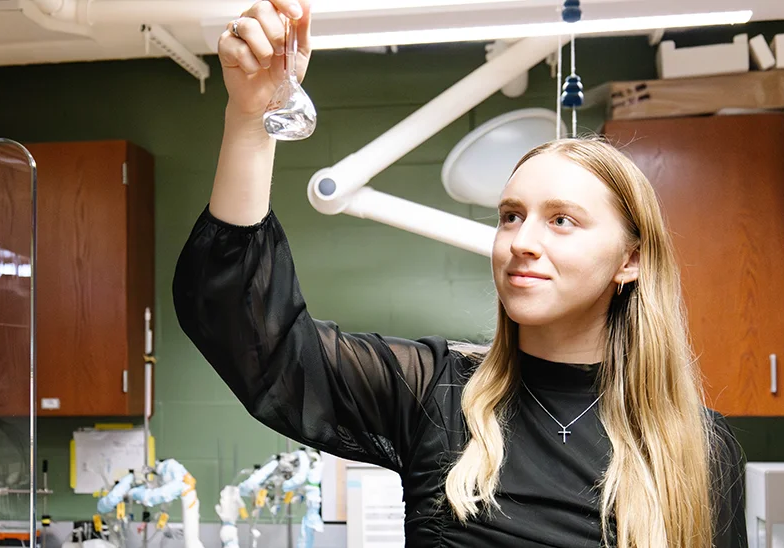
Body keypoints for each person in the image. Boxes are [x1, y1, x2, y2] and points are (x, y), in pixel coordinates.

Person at [172, 0, 746, 546]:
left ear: (631, 260)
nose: (521, 242)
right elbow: (254, 341)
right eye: (511, 216)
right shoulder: (441, 395)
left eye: (562, 221)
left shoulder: (698, 448)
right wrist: (249, 119)